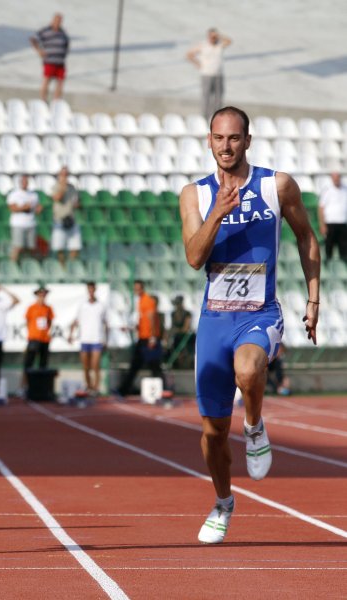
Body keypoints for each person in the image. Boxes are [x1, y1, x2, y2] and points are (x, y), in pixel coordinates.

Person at [179, 106, 319, 544]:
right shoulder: (194, 195)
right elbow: (193, 257)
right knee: (212, 434)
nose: (226, 146)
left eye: (234, 138)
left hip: (261, 313)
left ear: (248, 140)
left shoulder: (277, 185)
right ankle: (223, 503)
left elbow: (306, 236)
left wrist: (314, 298)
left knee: (248, 369)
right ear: (209, 141)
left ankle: (255, 425)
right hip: (214, 319)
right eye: (219, 138)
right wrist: (218, 212)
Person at [115, 280, 163, 398]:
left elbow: (151, 319)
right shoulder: (141, 301)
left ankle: (162, 391)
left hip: (148, 339)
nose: (137, 290)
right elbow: (143, 322)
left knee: (154, 366)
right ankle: (123, 390)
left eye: (138, 288)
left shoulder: (147, 301)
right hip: (143, 338)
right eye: (135, 288)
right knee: (137, 365)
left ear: (142, 288)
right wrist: (130, 328)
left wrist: (152, 338)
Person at [67, 281, 108, 395]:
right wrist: (70, 335)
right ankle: (89, 386)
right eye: (89, 289)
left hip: (97, 339)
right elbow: (75, 321)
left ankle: (96, 388)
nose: (90, 292)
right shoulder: (82, 305)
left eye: (92, 289)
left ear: (95, 290)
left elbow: (106, 324)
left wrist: (106, 340)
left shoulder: (101, 305)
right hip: (84, 339)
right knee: (85, 366)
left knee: (95, 365)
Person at [186, 28, 232, 122]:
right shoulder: (203, 45)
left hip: (218, 74)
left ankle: (217, 117)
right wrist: (198, 64)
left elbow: (229, 41)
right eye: (211, 36)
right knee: (206, 96)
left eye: (215, 36)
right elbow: (189, 54)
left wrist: (219, 35)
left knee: (218, 97)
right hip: (206, 74)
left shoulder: (220, 44)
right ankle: (204, 117)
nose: (213, 38)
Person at [30, 13, 70, 102]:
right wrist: (39, 51)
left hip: (60, 62)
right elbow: (33, 39)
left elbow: (66, 45)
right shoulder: (45, 31)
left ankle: (56, 101)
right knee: (47, 80)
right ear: (52, 20)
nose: (58, 22)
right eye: (56, 20)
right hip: (50, 61)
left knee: (60, 82)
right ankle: (43, 100)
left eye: (60, 21)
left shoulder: (63, 33)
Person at [22, 286, 53, 391]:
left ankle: (41, 387)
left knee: (43, 365)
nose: (42, 297)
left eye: (44, 295)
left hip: (45, 339)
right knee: (28, 364)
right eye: (40, 295)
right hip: (34, 338)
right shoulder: (31, 308)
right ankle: (25, 386)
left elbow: (49, 322)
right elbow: (27, 321)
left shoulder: (48, 308)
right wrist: (32, 333)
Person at [6, 173, 42, 262]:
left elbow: (36, 207)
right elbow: (12, 208)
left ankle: (29, 264)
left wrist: (38, 209)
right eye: (23, 181)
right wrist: (24, 207)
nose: (25, 183)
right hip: (19, 224)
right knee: (17, 246)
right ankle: (12, 264)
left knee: (31, 247)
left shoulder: (33, 195)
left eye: (26, 181)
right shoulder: (14, 194)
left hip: (31, 223)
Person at [51, 166, 81, 266]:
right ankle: (62, 266)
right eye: (63, 174)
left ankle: (70, 266)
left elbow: (76, 202)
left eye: (66, 174)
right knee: (60, 247)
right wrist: (63, 188)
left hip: (71, 219)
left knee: (75, 246)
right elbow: (57, 198)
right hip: (59, 220)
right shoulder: (56, 186)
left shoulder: (72, 187)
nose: (65, 176)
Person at [318, 172, 347, 264]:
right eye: (334, 178)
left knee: (344, 246)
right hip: (330, 222)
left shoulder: (345, 189)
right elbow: (321, 208)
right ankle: (328, 265)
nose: (336, 179)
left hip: (343, 222)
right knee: (329, 245)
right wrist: (322, 224)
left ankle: (343, 266)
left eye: (337, 177)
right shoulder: (327, 190)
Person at [167, 295, 194, 368]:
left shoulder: (187, 313)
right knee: (171, 341)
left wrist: (178, 330)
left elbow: (186, 327)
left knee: (184, 345)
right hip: (176, 335)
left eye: (178, 304)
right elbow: (172, 326)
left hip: (185, 336)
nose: (177, 306)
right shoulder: (173, 313)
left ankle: (185, 361)